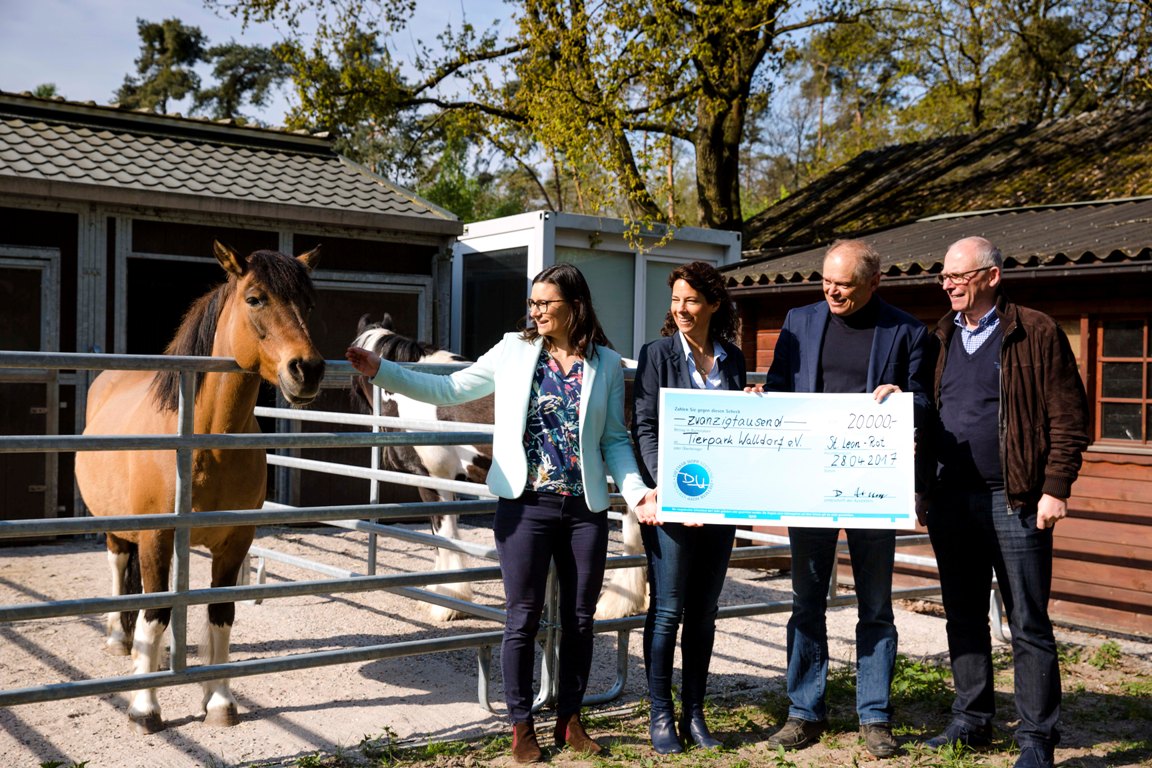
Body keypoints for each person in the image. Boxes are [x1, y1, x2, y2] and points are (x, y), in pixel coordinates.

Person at [346, 263, 657, 764]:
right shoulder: (515, 349)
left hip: (584, 509)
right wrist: (383, 371)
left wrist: (638, 490)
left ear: (575, 306)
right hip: (525, 505)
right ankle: (521, 727)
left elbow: (616, 441)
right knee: (522, 618)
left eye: (545, 304)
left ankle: (570, 720)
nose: (534, 312)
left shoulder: (602, 362)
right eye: (532, 303)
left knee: (579, 620)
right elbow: (448, 389)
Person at [920, 236, 1089, 768]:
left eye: (958, 276)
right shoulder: (939, 336)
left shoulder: (1035, 331)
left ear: (992, 276)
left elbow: (1069, 418)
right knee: (963, 614)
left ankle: (1037, 738)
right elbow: (924, 417)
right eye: (944, 277)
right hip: (951, 497)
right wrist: (923, 486)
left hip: (1015, 498)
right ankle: (972, 720)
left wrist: (1055, 488)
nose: (948, 285)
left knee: (1027, 620)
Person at [763, 239, 933, 758]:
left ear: (873, 283)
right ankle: (803, 712)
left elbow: (927, 400)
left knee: (876, 606)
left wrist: (907, 401)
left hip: (870, 488)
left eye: (845, 285)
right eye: (826, 281)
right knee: (805, 601)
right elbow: (777, 388)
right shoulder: (799, 320)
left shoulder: (907, 330)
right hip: (808, 483)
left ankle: (875, 716)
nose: (832, 291)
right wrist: (759, 399)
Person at [631, 261, 748, 754]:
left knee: (704, 612)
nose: (681, 309)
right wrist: (671, 490)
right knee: (667, 611)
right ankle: (661, 715)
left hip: (720, 507)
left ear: (713, 305)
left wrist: (753, 405)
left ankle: (695, 715)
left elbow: (736, 426)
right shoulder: (656, 354)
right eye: (676, 299)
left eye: (691, 300)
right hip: (675, 503)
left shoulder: (733, 359)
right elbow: (644, 427)